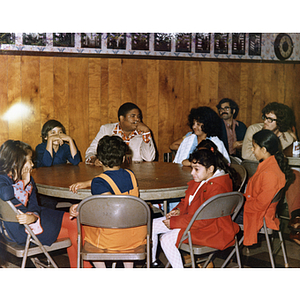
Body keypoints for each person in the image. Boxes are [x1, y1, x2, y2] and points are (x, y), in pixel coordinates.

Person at [0, 140, 89, 268]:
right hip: (20, 230)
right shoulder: (3, 178)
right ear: (16, 162)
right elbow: (5, 194)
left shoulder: (28, 179)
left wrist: (34, 216)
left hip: (34, 219)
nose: (32, 164)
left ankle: (81, 269)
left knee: (74, 221)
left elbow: (34, 204)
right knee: (75, 232)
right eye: (29, 160)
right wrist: (23, 181)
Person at [151, 147, 239, 268]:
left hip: (210, 229)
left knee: (166, 240)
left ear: (211, 169)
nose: (192, 172)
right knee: (151, 226)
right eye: (192, 168)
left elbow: (203, 220)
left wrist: (175, 222)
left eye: (196, 169)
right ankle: (153, 262)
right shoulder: (203, 179)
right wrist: (178, 210)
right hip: (194, 222)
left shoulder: (217, 187)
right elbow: (187, 201)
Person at [69, 135, 147, 268]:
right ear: (123, 158)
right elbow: (113, 181)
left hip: (112, 239)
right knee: (125, 232)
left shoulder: (99, 183)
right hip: (135, 237)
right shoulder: (130, 174)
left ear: (99, 160)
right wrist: (87, 183)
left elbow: (108, 206)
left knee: (84, 232)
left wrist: (80, 206)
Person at [241, 102, 300, 244]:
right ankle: (297, 218)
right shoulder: (254, 129)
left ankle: (296, 217)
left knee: (295, 176)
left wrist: (295, 139)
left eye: (270, 119)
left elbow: (286, 158)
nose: (265, 122)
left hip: (269, 173)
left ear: (280, 122)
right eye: (264, 117)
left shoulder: (287, 137)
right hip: (253, 168)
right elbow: (246, 154)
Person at [85, 102, 155, 165]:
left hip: (136, 174)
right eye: (133, 116)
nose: (137, 120)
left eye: (138, 116)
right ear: (121, 118)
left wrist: (146, 133)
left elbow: (149, 158)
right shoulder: (107, 130)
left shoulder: (142, 133)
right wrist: (94, 160)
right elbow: (90, 151)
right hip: (112, 173)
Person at [35, 119, 81, 209]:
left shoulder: (64, 147)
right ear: (45, 137)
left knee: (78, 199)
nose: (57, 135)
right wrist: (50, 140)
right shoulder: (40, 148)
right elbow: (47, 163)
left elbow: (75, 161)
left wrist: (70, 140)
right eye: (53, 133)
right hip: (45, 186)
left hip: (61, 183)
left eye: (60, 133)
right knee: (48, 203)